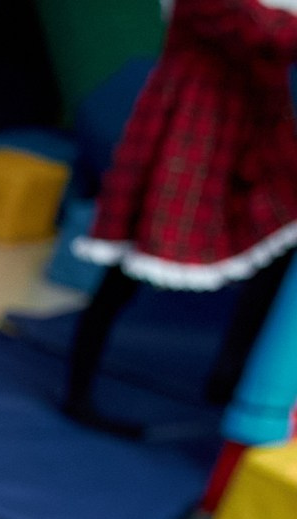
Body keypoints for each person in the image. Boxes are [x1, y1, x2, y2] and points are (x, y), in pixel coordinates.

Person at [62, 0, 297, 436]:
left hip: (253, 123)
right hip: (193, 123)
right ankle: (78, 392)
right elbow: (257, 28)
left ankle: (230, 377)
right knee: (136, 257)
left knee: (279, 233)